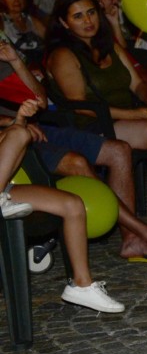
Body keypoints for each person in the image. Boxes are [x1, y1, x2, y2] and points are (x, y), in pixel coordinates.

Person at [45, 0, 147, 238]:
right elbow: (79, 104)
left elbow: (137, 84)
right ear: (64, 22)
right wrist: (139, 115)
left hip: (128, 118)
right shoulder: (63, 55)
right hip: (93, 124)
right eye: (78, 16)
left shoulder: (109, 46)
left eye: (91, 12)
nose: (88, 21)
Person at [3, 98, 125, 312]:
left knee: (72, 204)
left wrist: (19, 120)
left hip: (6, 189)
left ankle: (81, 285)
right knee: (19, 133)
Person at [0, 0, 45, 68]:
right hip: (20, 68)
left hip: (42, 64)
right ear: (2, 0)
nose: (16, 0)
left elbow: (49, 38)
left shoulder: (31, 19)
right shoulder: (2, 20)